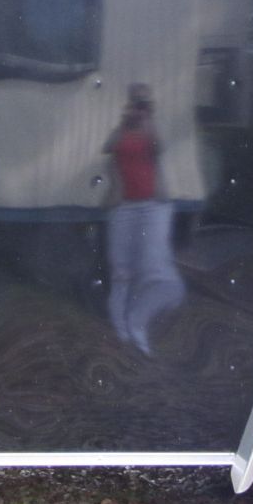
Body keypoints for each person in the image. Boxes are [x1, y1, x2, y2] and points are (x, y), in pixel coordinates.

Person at [103, 85, 185, 355]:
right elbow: (107, 148)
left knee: (151, 267)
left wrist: (148, 118)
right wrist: (123, 122)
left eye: (142, 103)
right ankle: (121, 331)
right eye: (134, 102)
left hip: (151, 206)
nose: (137, 107)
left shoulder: (150, 129)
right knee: (121, 270)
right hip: (123, 206)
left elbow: (159, 148)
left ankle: (138, 324)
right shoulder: (122, 129)